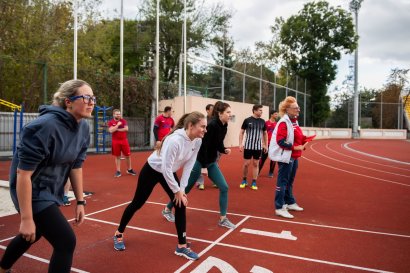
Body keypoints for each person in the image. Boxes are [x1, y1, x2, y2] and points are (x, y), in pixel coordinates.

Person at [0, 79, 94, 273]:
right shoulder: (43, 127)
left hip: (53, 189)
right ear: (68, 101)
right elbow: (23, 175)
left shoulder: (84, 128)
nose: (91, 102)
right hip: (31, 190)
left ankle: (2, 268)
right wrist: (26, 218)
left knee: (34, 234)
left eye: (93, 98)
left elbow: (76, 166)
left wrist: (80, 201)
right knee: (66, 241)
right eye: (86, 97)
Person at [112, 111, 206, 261]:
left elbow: (189, 165)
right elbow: (165, 169)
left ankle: (181, 246)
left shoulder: (197, 141)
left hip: (167, 172)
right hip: (153, 170)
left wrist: (181, 190)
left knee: (180, 204)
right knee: (138, 203)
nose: (205, 130)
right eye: (202, 126)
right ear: (190, 125)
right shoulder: (175, 140)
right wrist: (176, 191)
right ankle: (118, 233)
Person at [162, 102, 236, 229]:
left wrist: (224, 150)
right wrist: (203, 167)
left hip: (210, 161)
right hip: (199, 160)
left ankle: (223, 219)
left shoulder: (224, 126)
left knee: (224, 187)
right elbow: (202, 144)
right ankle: (167, 209)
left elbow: (218, 143)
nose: (230, 114)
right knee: (186, 188)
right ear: (220, 113)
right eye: (228, 112)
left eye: (230, 112)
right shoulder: (212, 125)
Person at [269, 96, 308, 219]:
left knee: (289, 181)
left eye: (298, 107)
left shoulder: (294, 121)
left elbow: (296, 136)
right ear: (287, 109)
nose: (298, 110)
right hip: (286, 156)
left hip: (293, 156)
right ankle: (279, 207)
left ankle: (289, 202)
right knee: (283, 182)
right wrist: (297, 147)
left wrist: (305, 140)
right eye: (296, 108)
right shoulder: (283, 122)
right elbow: (281, 141)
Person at [239, 104, 268, 190]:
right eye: (260, 110)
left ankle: (254, 181)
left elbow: (265, 134)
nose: (261, 112)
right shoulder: (247, 120)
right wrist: (240, 144)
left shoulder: (263, 121)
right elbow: (241, 132)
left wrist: (265, 145)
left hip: (258, 147)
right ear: (254, 110)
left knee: (256, 164)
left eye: (262, 110)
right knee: (246, 164)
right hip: (248, 146)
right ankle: (244, 180)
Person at [108, 109, 137, 178]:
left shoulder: (123, 121)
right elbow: (111, 131)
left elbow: (126, 129)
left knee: (128, 155)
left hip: (124, 140)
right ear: (113, 115)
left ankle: (129, 169)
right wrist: (117, 125)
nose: (118, 115)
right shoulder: (111, 122)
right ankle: (118, 171)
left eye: (119, 114)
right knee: (117, 156)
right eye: (117, 114)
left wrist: (116, 129)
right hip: (115, 141)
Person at [196, 104, 214, 190]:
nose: (214, 111)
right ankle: (200, 182)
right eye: (212, 109)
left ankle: (215, 180)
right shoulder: (203, 120)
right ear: (207, 110)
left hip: (212, 147)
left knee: (214, 163)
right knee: (200, 162)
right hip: (202, 145)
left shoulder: (216, 121)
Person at [258, 109, 278, 178]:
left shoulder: (277, 124)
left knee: (273, 159)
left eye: (277, 114)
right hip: (266, 144)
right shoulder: (266, 123)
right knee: (262, 159)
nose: (277, 115)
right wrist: (263, 144)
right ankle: (257, 171)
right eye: (275, 114)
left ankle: (271, 172)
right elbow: (262, 133)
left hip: (274, 145)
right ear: (271, 115)